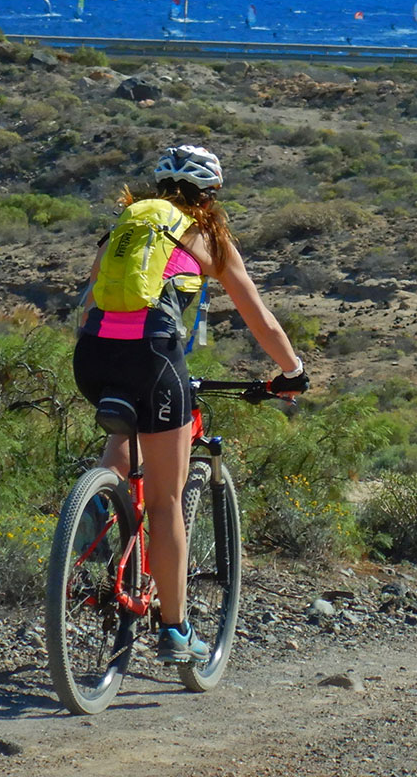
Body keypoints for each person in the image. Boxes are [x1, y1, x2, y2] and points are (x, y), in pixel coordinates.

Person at [72, 144, 306, 664]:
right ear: (211, 194)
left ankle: (91, 512)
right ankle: (175, 631)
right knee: (164, 500)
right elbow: (258, 316)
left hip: (92, 356)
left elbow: (90, 298)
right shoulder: (207, 235)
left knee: (123, 441)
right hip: (154, 358)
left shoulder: (127, 227)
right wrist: (292, 372)